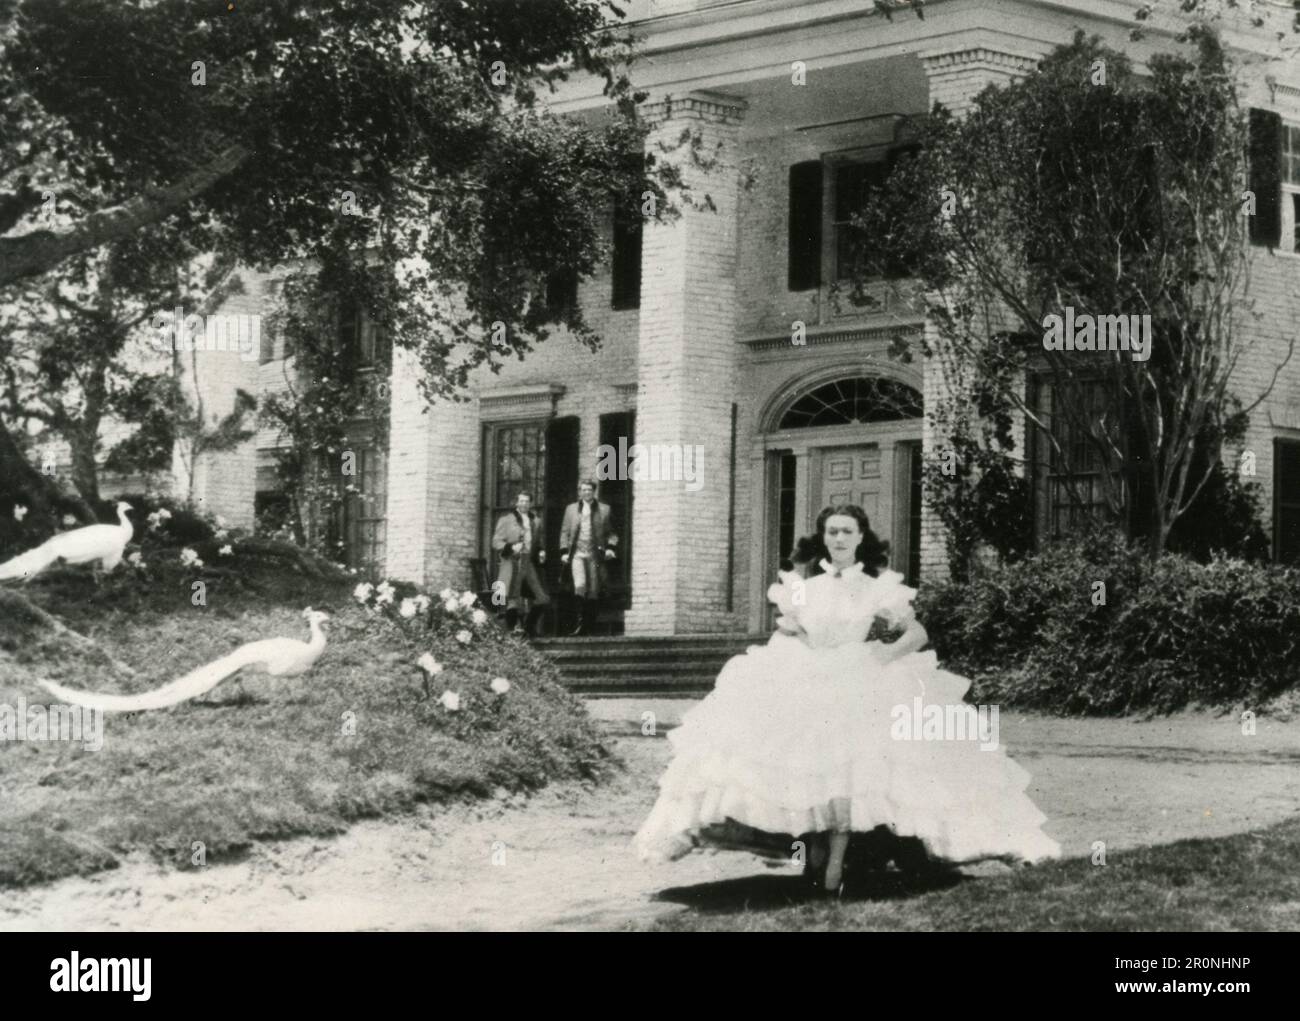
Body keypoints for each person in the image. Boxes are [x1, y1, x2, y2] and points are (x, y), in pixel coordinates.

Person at [634, 503, 1059, 893]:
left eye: (847, 532)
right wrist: (794, 647)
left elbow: (918, 634)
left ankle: (849, 863)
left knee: (871, 766)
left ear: (861, 538)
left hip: (863, 675)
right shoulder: (802, 587)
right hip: (813, 676)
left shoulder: (878, 588)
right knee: (803, 767)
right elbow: (790, 631)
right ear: (823, 537)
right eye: (832, 531)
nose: (839, 539)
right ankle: (819, 860)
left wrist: (885, 653)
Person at [558, 480, 618, 636]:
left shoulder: (604, 509)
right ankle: (579, 622)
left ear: (594, 491)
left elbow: (612, 533)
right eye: (583, 490)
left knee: (593, 591)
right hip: (577, 553)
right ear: (579, 492)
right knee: (580, 585)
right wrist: (564, 551)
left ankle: (587, 626)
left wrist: (610, 548)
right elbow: (564, 532)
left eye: (589, 490)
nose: (586, 493)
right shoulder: (571, 509)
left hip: (594, 555)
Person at [492, 491, 550, 635]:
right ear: (517, 503)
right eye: (521, 501)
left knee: (542, 598)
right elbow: (495, 542)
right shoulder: (506, 519)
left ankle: (529, 627)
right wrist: (510, 547)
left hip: (528, 562)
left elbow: (538, 542)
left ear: (530, 504)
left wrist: (541, 551)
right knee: (513, 597)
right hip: (512, 562)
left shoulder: (536, 521)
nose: (524, 504)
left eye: (527, 501)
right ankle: (512, 631)